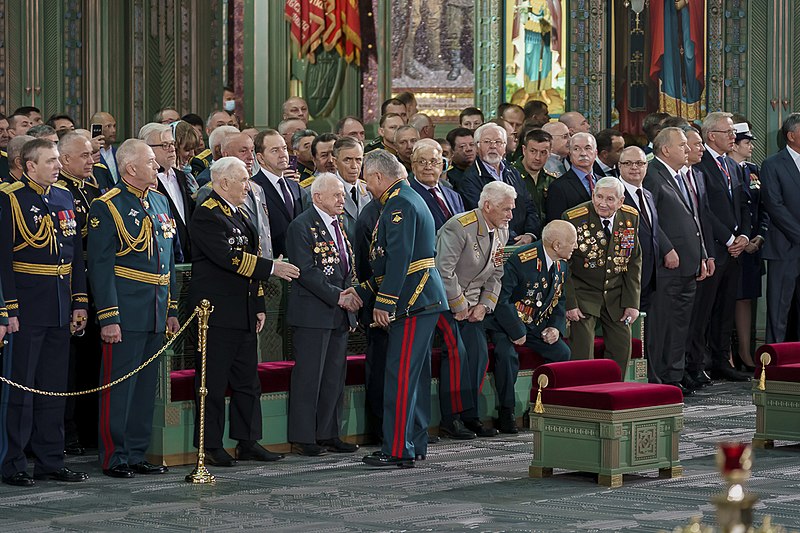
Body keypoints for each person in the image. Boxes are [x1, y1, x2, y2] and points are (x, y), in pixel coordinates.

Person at [189, 156, 300, 467]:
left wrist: (259, 304)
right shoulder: (207, 214)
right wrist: (273, 268)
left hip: (244, 309)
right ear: (224, 183)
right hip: (216, 312)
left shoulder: (238, 213)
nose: (248, 186)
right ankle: (209, 444)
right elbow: (230, 259)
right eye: (242, 180)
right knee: (211, 381)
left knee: (247, 380)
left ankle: (248, 440)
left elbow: (250, 253)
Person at [87, 138, 180, 478]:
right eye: (151, 162)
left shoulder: (158, 201)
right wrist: (109, 317)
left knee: (144, 387)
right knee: (119, 386)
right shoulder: (107, 205)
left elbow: (167, 260)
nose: (157, 167)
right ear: (131, 169)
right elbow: (100, 266)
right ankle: (115, 455)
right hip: (125, 311)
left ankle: (137, 451)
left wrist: (170, 308)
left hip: (155, 309)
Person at [0, 139, 89, 486]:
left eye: (57, 160)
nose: (56, 165)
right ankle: (13, 462)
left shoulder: (64, 196)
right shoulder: (10, 198)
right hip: (27, 304)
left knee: (54, 388)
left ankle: (51, 459)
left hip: (59, 304)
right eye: (49, 160)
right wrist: (8, 309)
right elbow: (4, 259)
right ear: (28, 165)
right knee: (20, 388)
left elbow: (75, 257)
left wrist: (79, 301)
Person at [357, 149, 447, 468]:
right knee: (416, 376)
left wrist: (385, 302)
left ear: (380, 176)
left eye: (367, 179)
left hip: (412, 300)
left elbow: (399, 257)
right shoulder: (406, 198)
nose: (366, 186)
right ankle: (415, 441)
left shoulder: (399, 203)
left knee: (400, 376)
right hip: (421, 298)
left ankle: (397, 448)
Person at [285, 173, 361, 456]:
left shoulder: (340, 224)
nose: (343, 199)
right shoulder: (301, 226)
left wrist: (350, 298)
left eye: (343, 194)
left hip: (339, 313)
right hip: (313, 312)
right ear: (317, 197)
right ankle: (304, 437)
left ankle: (329, 432)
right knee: (309, 377)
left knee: (333, 377)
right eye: (336, 195)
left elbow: (346, 266)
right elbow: (306, 270)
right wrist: (337, 297)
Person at [435, 181, 512, 439]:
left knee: (479, 355)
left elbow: (497, 274)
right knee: (457, 354)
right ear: (487, 206)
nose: (510, 215)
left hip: (474, 308)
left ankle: (470, 415)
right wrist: (459, 306)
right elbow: (443, 271)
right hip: (445, 305)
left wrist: (484, 305)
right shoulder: (459, 227)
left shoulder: (502, 230)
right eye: (505, 209)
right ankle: (451, 418)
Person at [488, 220, 577, 432]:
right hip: (506, 324)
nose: (576, 246)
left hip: (537, 324)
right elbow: (502, 299)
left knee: (562, 352)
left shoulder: (561, 264)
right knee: (506, 354)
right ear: (556, 245)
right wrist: (516, 331)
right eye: (572, 242)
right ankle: (506, 411)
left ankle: (545, 406)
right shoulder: (522, 259)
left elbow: (559, 299)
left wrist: (556, 327)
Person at [642, 127, 706, 391]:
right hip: (666, 265)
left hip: (689, 263)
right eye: (682, 145)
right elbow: (649, 220)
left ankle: (674, 375)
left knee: (681, 325)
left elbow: (694, 219)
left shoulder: (683, 176)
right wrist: (667, 248)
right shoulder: (653, 176)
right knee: (662, 324)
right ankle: (657, 377)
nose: (688, 149)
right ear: (666, 149)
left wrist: (702, 254)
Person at [690, 111, 752, 382]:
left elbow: (744, 205)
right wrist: (728, 239)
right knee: (705, 310)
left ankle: (720, 361)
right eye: (728, 132)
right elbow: (704, 209)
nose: (733, 137)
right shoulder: (700, 165)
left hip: (735, 250)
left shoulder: (733, 166)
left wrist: (744, 236)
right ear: (711, 135)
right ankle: (699, 362)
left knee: (726, 308)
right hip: (715, 248)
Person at [563, 177, 642, 375]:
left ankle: (611, 392)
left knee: (622, 346)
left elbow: (633, 261)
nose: (602, 203)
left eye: (609, 199)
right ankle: (583, 397)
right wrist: (570, 303)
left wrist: (632, 303)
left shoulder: (630, 217)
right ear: (592, 195)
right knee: (583, 348)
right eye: (598, 197)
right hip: (583, 293)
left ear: (621, 201)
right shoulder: (573, 218)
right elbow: (564, 265)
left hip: (615, 294)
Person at [56, 132, 103, 455]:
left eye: (91, 154)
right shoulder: (59, 193)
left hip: (94, 284)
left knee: (91, 363)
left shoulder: (93, 187)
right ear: (65, 160)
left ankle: (88, 428)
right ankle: (68, 429)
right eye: (84, 155)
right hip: (72, 282)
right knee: (70, 365)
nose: (91, 160)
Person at [456, 123, 541, 244]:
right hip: (493, 246)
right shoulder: (470, 179)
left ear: (505, 146)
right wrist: (513, 240)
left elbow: (529, 206)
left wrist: (530, 234)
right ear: (477, 146)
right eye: (487, 142)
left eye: (498, 142)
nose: (493, 146)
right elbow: (484, 215)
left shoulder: (513, 172)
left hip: (524, 243)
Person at [618, 147, 661, 381]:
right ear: (619, 167)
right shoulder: (615, 195)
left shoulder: (648, 194)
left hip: (650, 274)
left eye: (640, 163)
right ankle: (631, 378)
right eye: (628, 164)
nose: (635, 168)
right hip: (626, 277)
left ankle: (650, 375)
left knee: (649, 331)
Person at [729, 122, 767, 370]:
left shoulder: (753, 170)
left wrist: (760, 236)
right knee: (727, 300)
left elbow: (763, 207)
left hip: (752, 245)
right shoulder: (725, 168)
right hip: (730, 246)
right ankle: (728, 354)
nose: (751, 146)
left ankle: (745, 351)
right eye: (746, 142)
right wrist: (738, 240)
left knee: (747, 299)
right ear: (734, 144)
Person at [761, 113, 800, 344]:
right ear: (791, 135)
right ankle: (773, 367)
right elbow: (774, 206)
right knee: (779, 311)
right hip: (784, 248)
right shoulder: (772, 164)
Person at [140, 123, 195, 263]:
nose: (171, 149)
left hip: (187, 257)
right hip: (160, 259)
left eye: (172, 144)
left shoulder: (180, 176)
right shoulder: (144, 182)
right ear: (147, 149)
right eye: (164, 145)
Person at [252, 129, 308, 258]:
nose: (283, 154)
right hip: (272, 263)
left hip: (298, 260)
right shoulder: (253, 187)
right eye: (275, 150)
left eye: (284, 148)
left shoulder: (295, 186)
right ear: (260, 157)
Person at [409, 139, 464, 231]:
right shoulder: (408, 195)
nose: (428, 167)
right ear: (413, 165)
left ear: (442, 165)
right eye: (422, 162)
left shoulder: (454, 196)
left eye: (433, 162)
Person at [545, 132, 596, 223]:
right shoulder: (558, 186)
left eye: (588, 148)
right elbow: (556, 223)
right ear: (570, 154)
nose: (583, 153)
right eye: (576, 149)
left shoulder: (603, 181)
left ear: (595, 153)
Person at [513, 128, 557, 221]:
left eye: (543, 152)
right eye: (533, 151)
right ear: (524, 150)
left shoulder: (551, 180)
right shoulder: (510, 175)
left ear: (550, 153)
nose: (538, 157)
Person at [332, 136, 370, 239]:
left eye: (358, 160)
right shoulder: (325, 192)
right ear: (335, 162)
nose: (354, 166)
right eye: (347, 160)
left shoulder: (369, 189)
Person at [90, 111, 118, 182]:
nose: (113, 130)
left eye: (114, 126)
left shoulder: (118, 153)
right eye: (108, 126)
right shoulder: (91, 155)